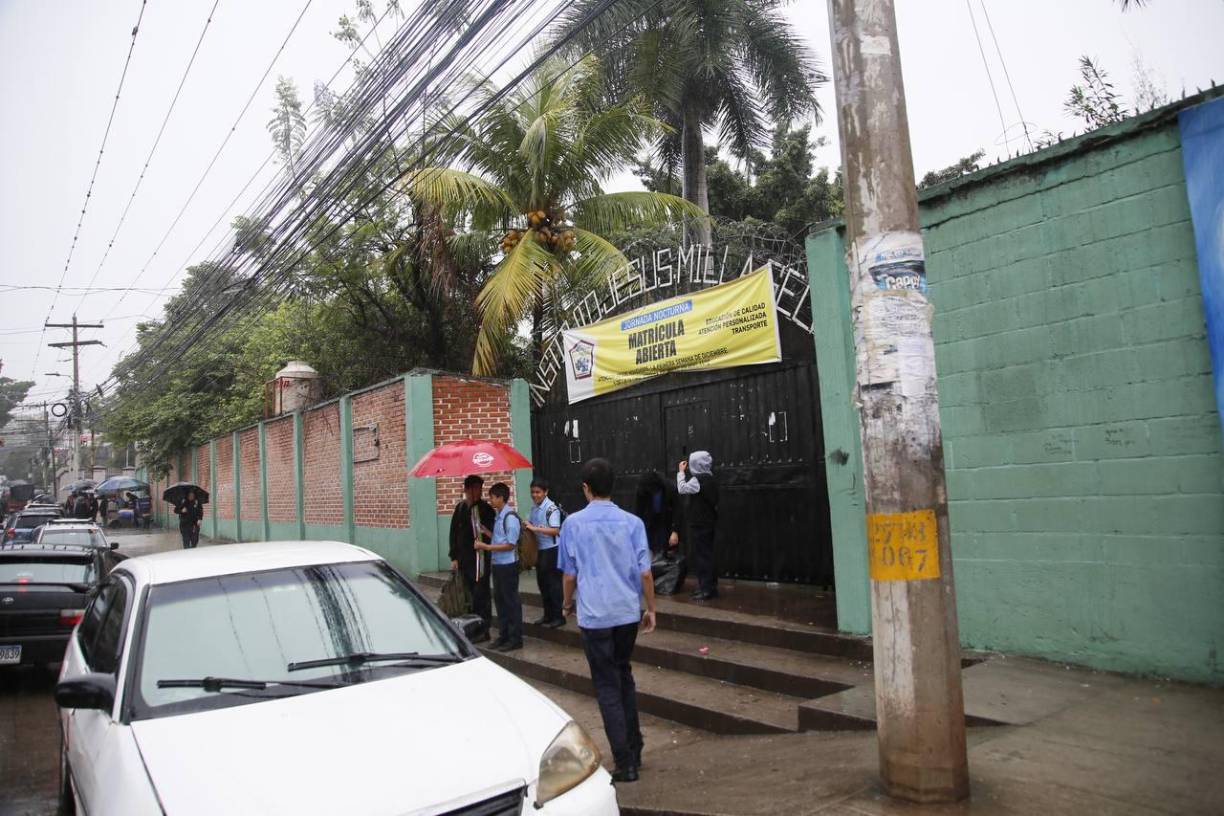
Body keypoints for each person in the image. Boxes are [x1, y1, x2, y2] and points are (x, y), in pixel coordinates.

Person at [559, 458, 656, 784]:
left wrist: (566, 603)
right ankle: (636, 746)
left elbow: (569, 575)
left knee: (607, 687)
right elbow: (645, 572)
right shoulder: (633, 523)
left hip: (595, 616)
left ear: (586, 488)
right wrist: (651, 608)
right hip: (627, 614)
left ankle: (625, 762)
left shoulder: (572, 524)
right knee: (623, 674)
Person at [448, 475, 495, 642]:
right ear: (466, 490)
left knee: (481, 595)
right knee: (468, 595)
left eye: (479, 489)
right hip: (464, 560)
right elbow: (453, 534)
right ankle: (470, 627)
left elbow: (493, 534)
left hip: (481, 560)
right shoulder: (460, 508)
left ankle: (483, 629)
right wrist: (454, 557)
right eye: (473, 489)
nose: (476, 492)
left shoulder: (486, 510)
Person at [480, 482, 523, 652]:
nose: (490, 500)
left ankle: (515, 638)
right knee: (500, 601)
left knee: (511, 602)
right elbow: (500, 538)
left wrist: (487, 548)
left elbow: (510, 544)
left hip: (508, 566)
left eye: (492, 497)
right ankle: (504, 635)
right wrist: (486, 532)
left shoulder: (510, 518)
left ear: (500, 498)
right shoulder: (499, 516)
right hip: (498, 565)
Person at [677, 451, 720, 600]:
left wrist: (681, 473)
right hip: (709, 521)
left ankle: (706, 589)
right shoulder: (710, 478)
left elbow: (682, 488)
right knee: (707, 555)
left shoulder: (698, 480)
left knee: (702, 556)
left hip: (700, 523)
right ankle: (710, 586)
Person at [524, 478, 565, 628]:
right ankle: (548, 615)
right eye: (532, 492)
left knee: (554, 585)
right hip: (540, 551)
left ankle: (558, 617)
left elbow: (556, 530)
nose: (535, 495)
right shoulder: (534, 508)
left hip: (552, 550)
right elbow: (529, 523)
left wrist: (535, 529)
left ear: (545, 492)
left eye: (538, 492)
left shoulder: (551, 508)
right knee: (543, 584)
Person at [633, 471, 681, 555]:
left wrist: (675, 531)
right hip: (650, 520)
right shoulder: (642, 491)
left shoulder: (669, 488)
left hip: (666, 519)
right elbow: (638, 512)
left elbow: (677, 510)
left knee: (667, 547)